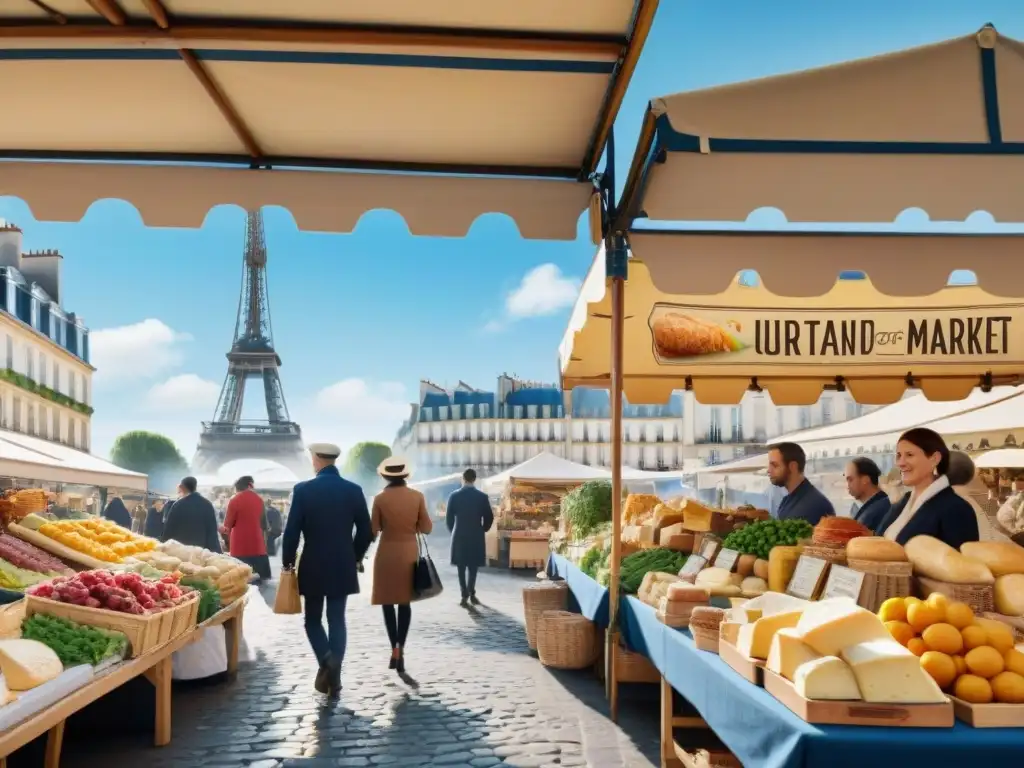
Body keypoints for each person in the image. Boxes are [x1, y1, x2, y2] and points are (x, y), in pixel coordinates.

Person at [282, 443, 372, 697]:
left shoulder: (303, 490)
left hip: (313, 562)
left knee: (312, 618)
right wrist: (354, 556)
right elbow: (366, 531)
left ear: (316, 460)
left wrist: (288, 562)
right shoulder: (354, 490)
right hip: (343, 563)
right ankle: (335, 676)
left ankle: (326, 659)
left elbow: (291, 532)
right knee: (337, 619)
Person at [371, 456, 432, 675]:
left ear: (385, 476)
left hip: (386, 553)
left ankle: (393, 648)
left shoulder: (379, 498)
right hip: (408, 552)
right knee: (404, 603)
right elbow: (426, 528)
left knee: (387, 603)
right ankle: (401, 648)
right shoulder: (417, 496)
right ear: (405, 475)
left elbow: (374, 529)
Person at [876, 428, 979, 548]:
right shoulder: (905, 500)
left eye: (909, 455)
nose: (900, 463)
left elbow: (961, 563)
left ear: (934, 459)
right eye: (899, 455)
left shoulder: (957, 508)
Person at [446, 468, 494, 607]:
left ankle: (464, 593)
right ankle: (471, 591)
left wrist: (453, 530)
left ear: (463, 479)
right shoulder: (482, 497)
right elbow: (489, 516)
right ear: (475, 479)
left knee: (461, 566)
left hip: (459, 533)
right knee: (473, 565)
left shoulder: (454, 496)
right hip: (476, 533)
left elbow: (449, 518)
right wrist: (483, 528)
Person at [767, 442, 835, 524]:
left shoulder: (811, 507)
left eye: (774, 465)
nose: (769, 470)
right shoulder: (793, 499)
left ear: (793, 467)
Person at [221, 476, 271, 581]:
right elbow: (265, 526)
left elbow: (227, 526)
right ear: (250, 485)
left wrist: (225, 543)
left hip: (239, 548)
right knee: (260, 583)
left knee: (240, 583)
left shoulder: (234, 500)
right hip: (258, 548)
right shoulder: (259, 500)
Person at [162, 477, 222, 552]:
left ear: (182, 487)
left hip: (182, 550)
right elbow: (212, 529)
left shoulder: (178, 505)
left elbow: (169, 528)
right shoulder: (207, 504)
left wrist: (164, 544)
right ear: (195, 487)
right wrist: (215, 550)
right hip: (202, 550)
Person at [845, 457, 890, 530]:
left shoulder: (879, 511)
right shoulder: (873, 506)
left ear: (865, 480)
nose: (847, 485)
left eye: (850, 480)